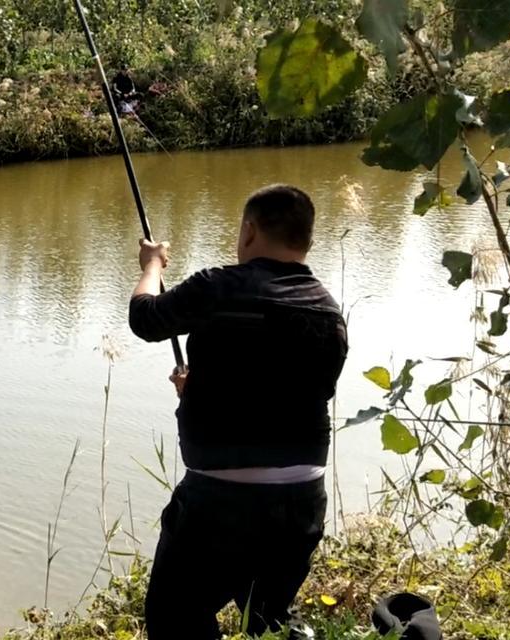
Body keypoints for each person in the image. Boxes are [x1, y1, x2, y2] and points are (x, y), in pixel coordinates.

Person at [128, 184, 348, 638]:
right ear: (305, 239)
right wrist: (203, 390)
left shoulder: (219, 286)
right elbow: (295, 394)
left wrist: (152, 265)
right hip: (302, 501)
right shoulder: (327, 309)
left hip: (221, 503)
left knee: (176, 620)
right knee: (266, 621)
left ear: (249, 230)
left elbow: (146, 318)